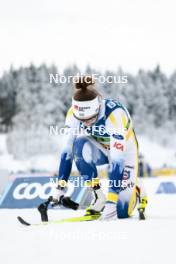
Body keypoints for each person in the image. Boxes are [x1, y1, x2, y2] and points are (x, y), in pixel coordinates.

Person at [53, 76, 147, 220]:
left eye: (91, 119)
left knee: (121, 212)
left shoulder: (115, 116)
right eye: (83, 121)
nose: (87, 123)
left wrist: (112, 200)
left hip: (124, 152)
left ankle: (138, 188)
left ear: (98, 108)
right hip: (100, 148)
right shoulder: (73, 114)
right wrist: (60, 187)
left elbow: (117, 161)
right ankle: (98, 196)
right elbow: (67, 152)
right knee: (78, 145)